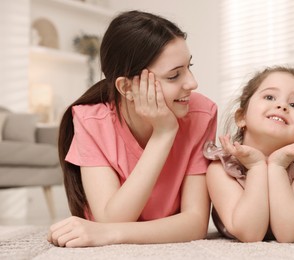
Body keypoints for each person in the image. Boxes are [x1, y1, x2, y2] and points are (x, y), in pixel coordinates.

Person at [47, 10, 217, 247]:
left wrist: (111, 234)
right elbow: (112, 218)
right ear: (126, 87)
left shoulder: (201, 114)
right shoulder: (91, 121)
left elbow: (195, 223)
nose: (192, 83)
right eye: (174, 75)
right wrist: (163, 134)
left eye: (189, 67)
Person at [204, 66, 294, 243]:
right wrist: (256, 166)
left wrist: (277, 166)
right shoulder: (221, 168)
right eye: (269, 97)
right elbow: (249, 234)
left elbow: (288, 234)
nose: (282, 105)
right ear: (241, 117)